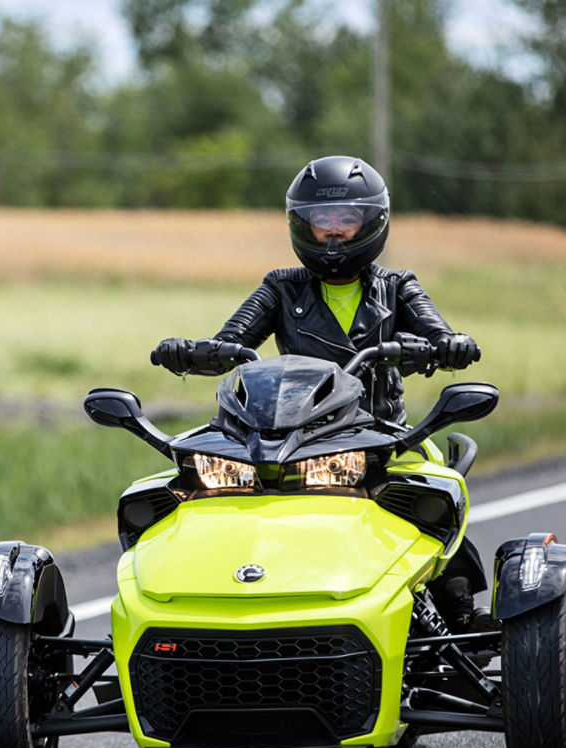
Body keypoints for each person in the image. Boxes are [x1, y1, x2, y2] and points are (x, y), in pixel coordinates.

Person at [149, 155, 494, 632]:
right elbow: (233, 340)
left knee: (436, 500)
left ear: (372, 223)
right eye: (321, 222)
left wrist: (446, 347)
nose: (332, 234)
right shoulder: (280, 287)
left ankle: (456, 613)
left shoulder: (396, 287)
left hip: (382, 436)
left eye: (346, 221)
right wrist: (194, 352)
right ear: (300, 225)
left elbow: (439, 333)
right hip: (290, 436)